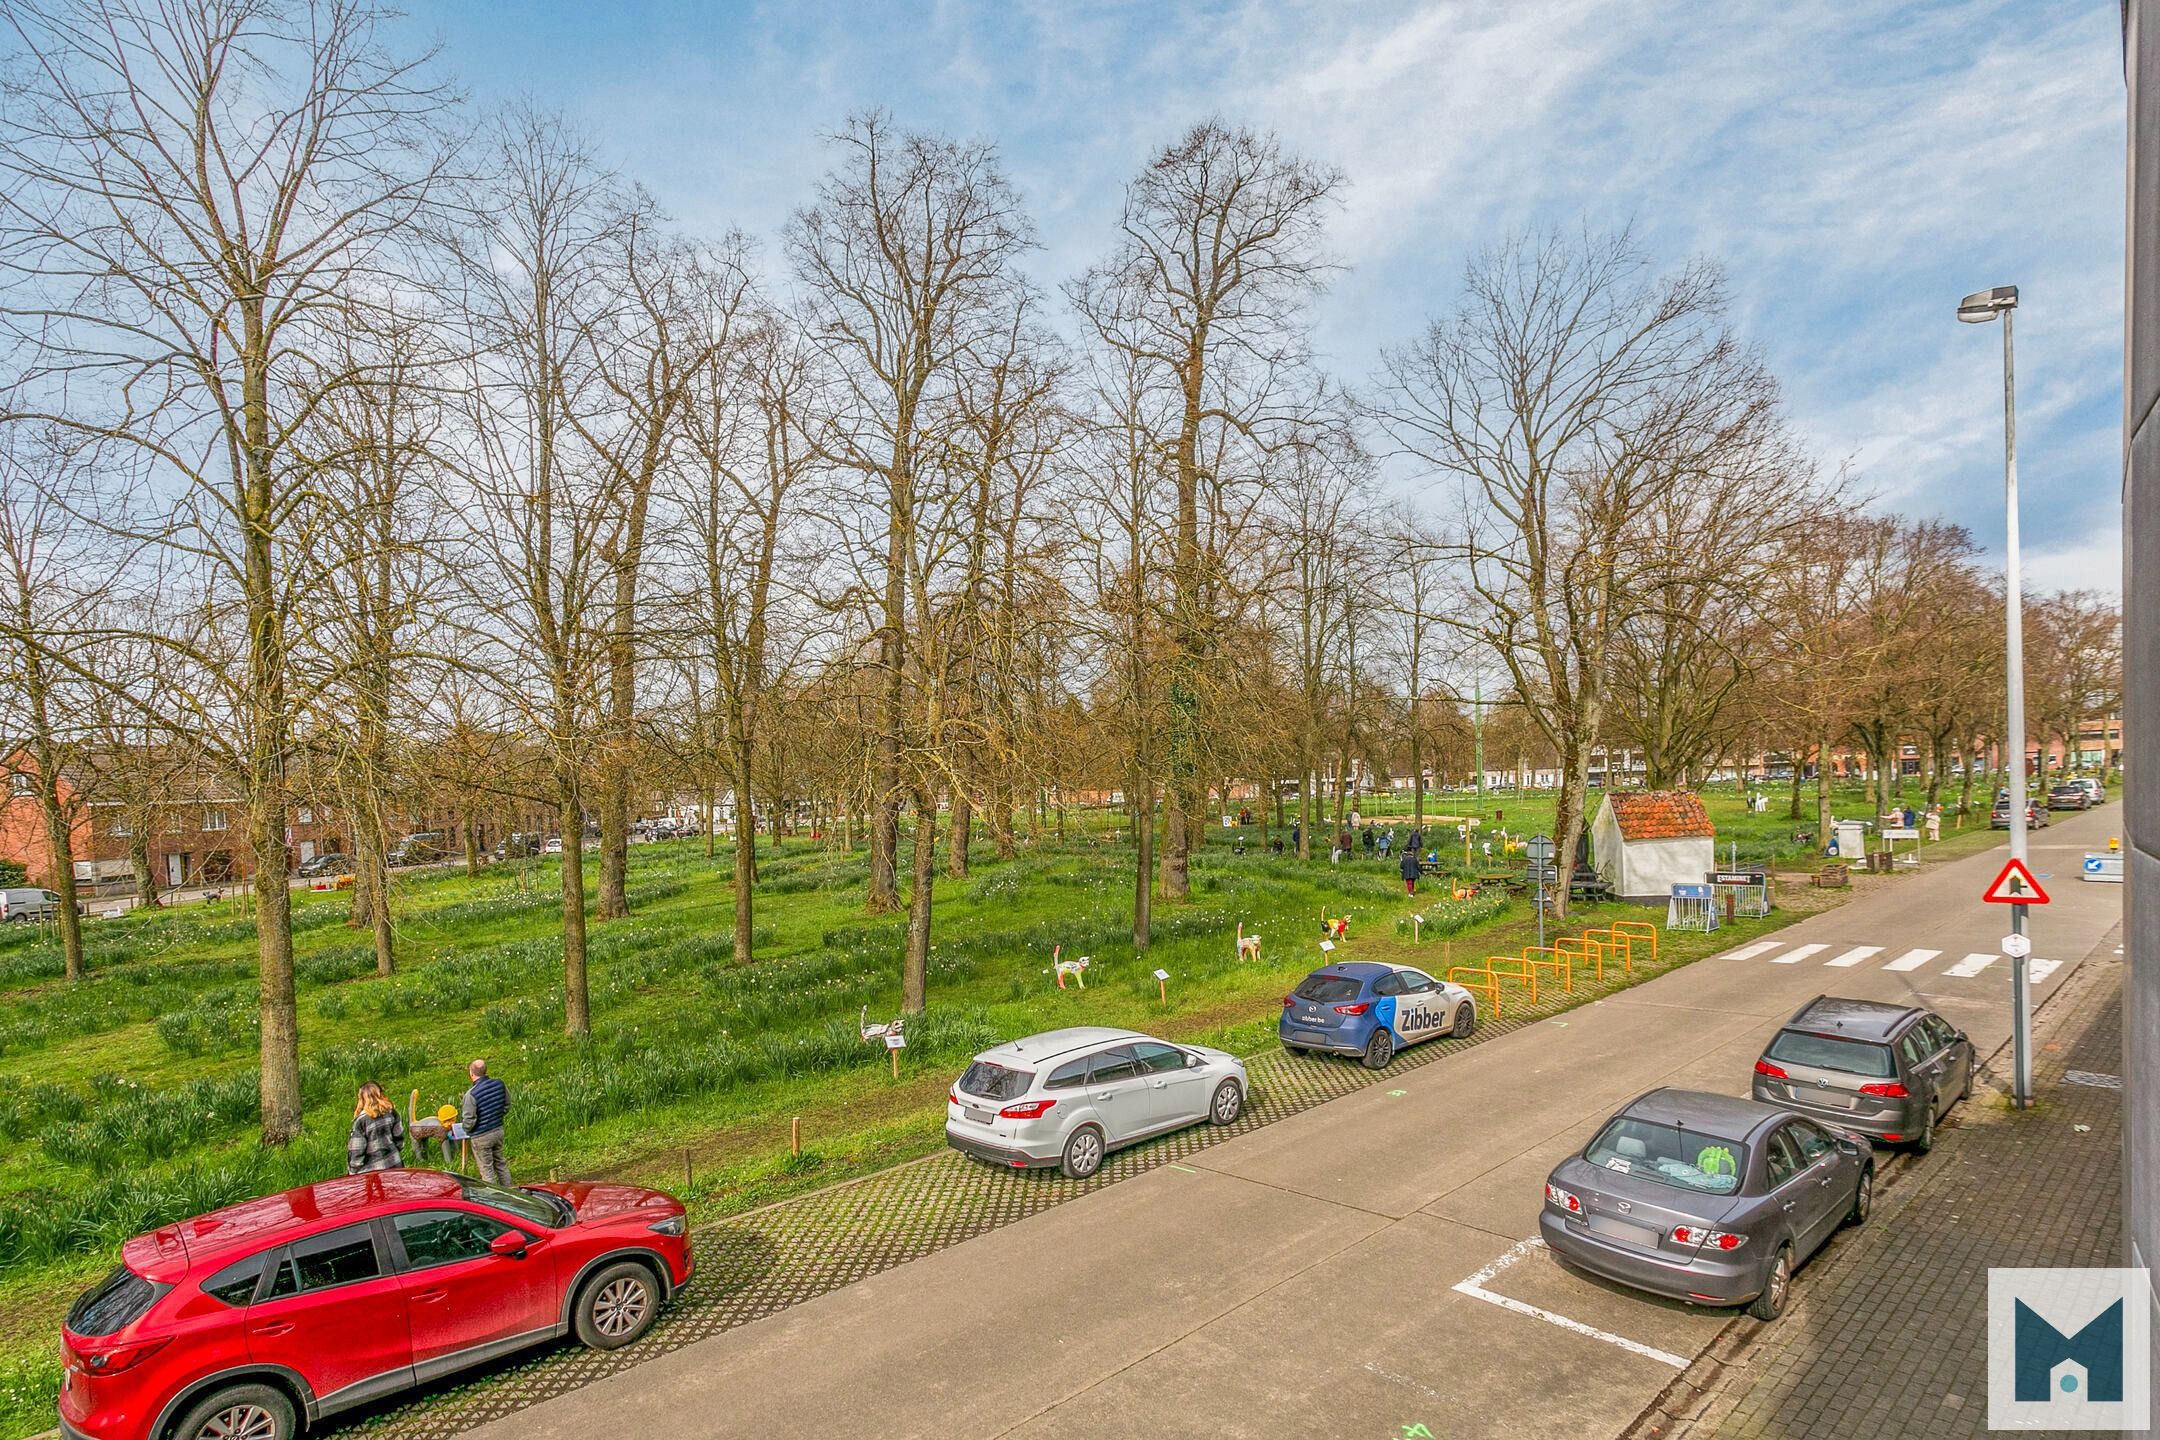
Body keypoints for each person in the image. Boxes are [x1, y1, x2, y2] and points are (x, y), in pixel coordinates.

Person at [461, 1058, 513, 1186]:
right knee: (500, 1163)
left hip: (481, 1136)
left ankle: (494, 1199)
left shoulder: (471, 1095)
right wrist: (496, 1117)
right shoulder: (500, 1084)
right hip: (498, 1130)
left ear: (471, 1073)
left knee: (486, 1169)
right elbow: (507, 1105)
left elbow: (469, 1120)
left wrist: (467, 1129)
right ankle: (510, 1191)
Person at [346, 1082, 407, 1175]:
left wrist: (353, 1171)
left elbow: (357, 1150)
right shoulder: (391, 1112)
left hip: (371, 1173)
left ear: (362, 1099)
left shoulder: (361, 1121)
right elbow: (399, 1138)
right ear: (380, 1094)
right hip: (395, 1165)